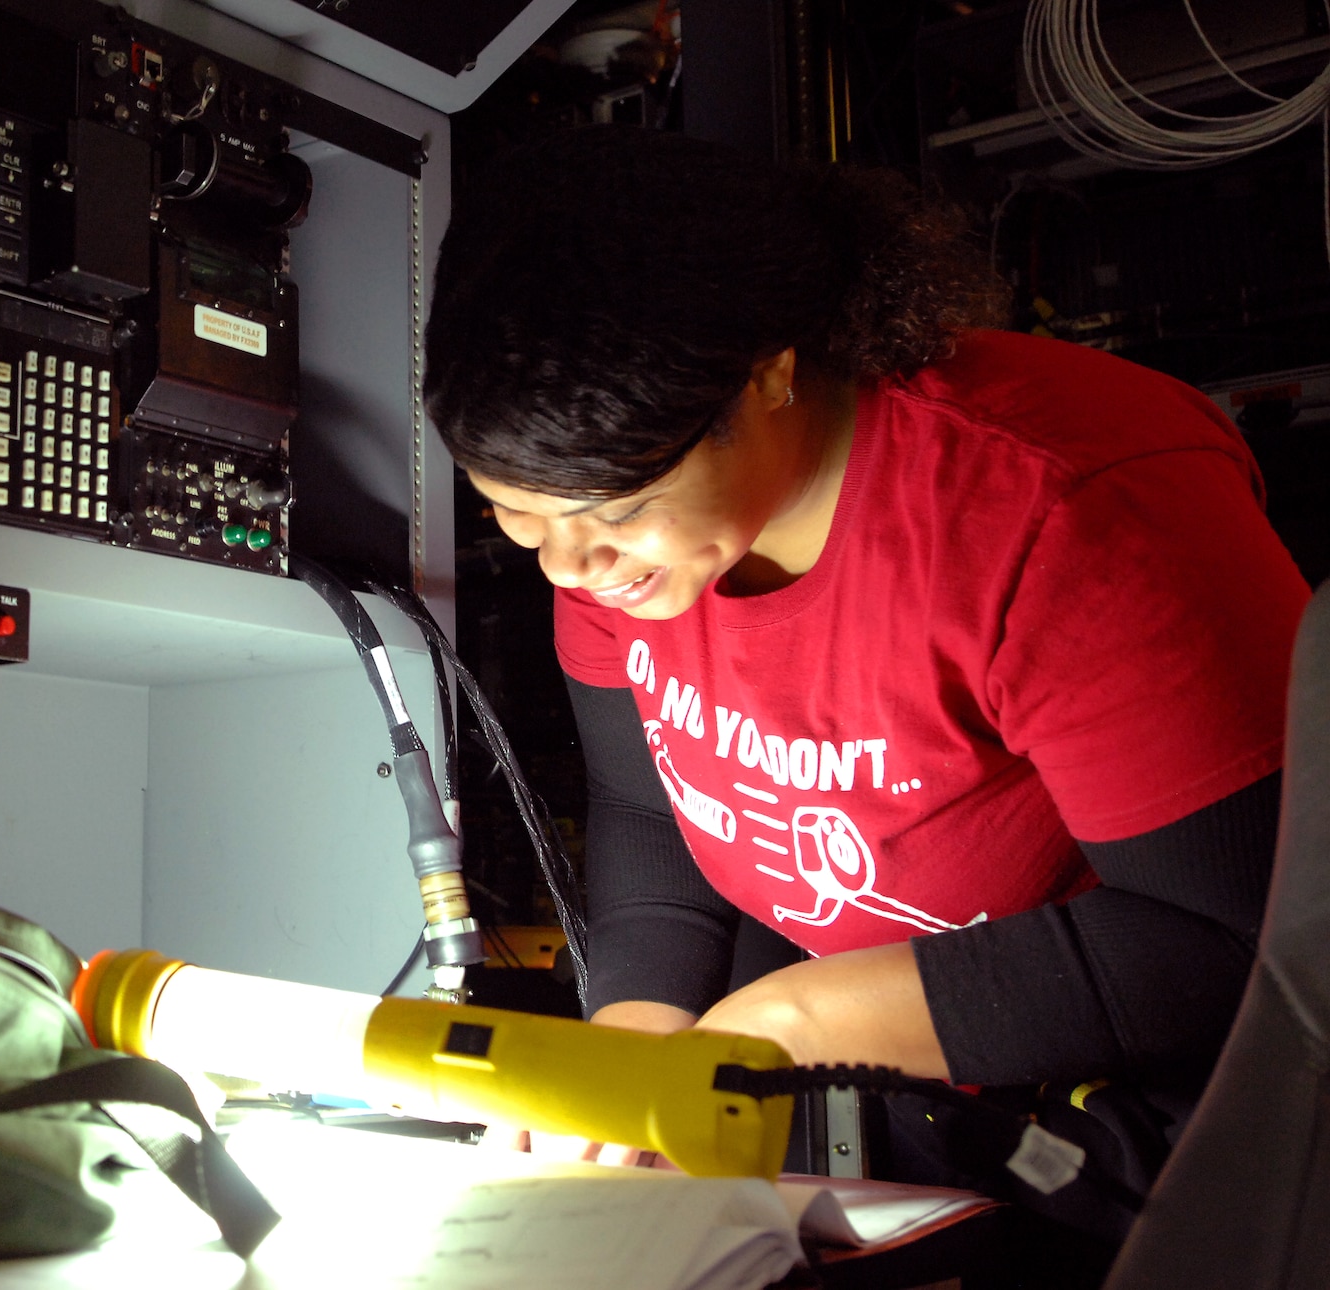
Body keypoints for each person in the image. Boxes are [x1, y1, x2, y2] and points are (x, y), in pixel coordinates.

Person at [423, 128, 1309, 1220]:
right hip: (850, 1034)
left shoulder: (1070, 507)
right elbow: (646, 811)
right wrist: (634, 1036)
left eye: (612, 511)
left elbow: (1237, 934)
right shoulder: (616, 542)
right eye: (509, 509)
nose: (566, 563)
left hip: (1138, 1073)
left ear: (769, 373)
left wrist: (792, 1026)